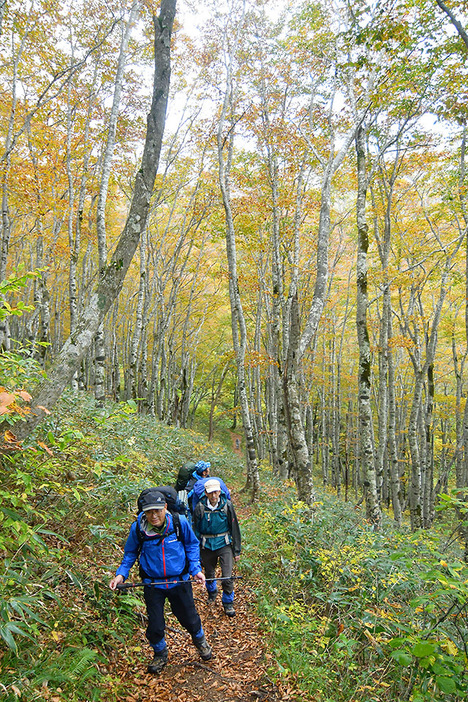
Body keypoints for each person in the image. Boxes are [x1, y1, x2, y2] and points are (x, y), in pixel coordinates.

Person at [109, 489, 212, 674]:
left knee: (189, 618)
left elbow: (191, 544)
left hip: (179, 581)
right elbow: (131, 552)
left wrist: (196, 570)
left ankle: (201, 642)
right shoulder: (138, 528)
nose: (153, 515)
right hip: (152, 584)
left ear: (165, 507)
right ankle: (160, 654)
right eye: (149, 512)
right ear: (143, 512)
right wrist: (121, 575)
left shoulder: (179, 523)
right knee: (155, 624)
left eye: (157, 510)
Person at [192, 478, 241, 617]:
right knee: (209, 573)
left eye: (216, 492)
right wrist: (195, 552)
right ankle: (212, 592)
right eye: (211, 493)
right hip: (206, 545)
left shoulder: (227, 506)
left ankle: (228, 603)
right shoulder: (200, 507)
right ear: (206, 493)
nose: (214, 496)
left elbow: (234, 528)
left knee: (227, 576)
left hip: (224, 544)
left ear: (220, 492)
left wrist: (236, 550)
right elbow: (195, 530)